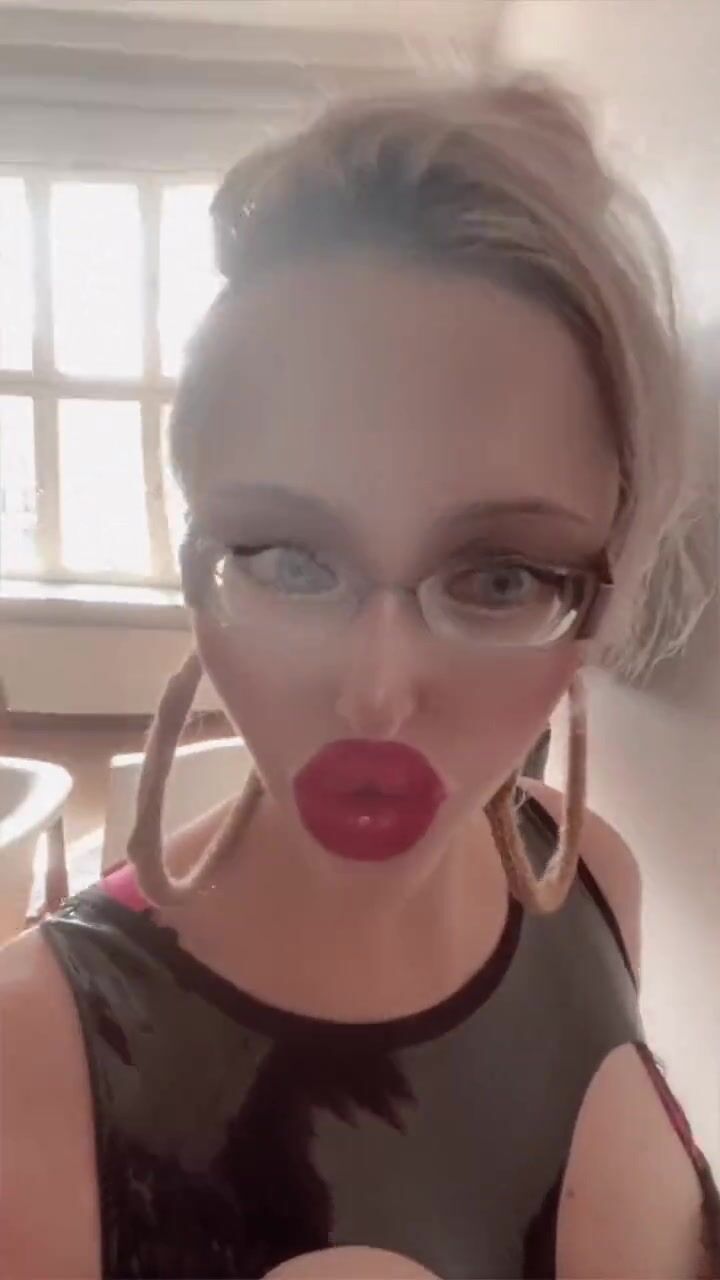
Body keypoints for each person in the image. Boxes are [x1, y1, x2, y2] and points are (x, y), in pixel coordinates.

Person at [1, 74, 718, 1280]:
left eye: (499, 576)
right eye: (291, 558)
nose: (377, 694)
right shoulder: (33, 1061)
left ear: (602, 595)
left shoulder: (596, 873)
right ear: (195, 558)